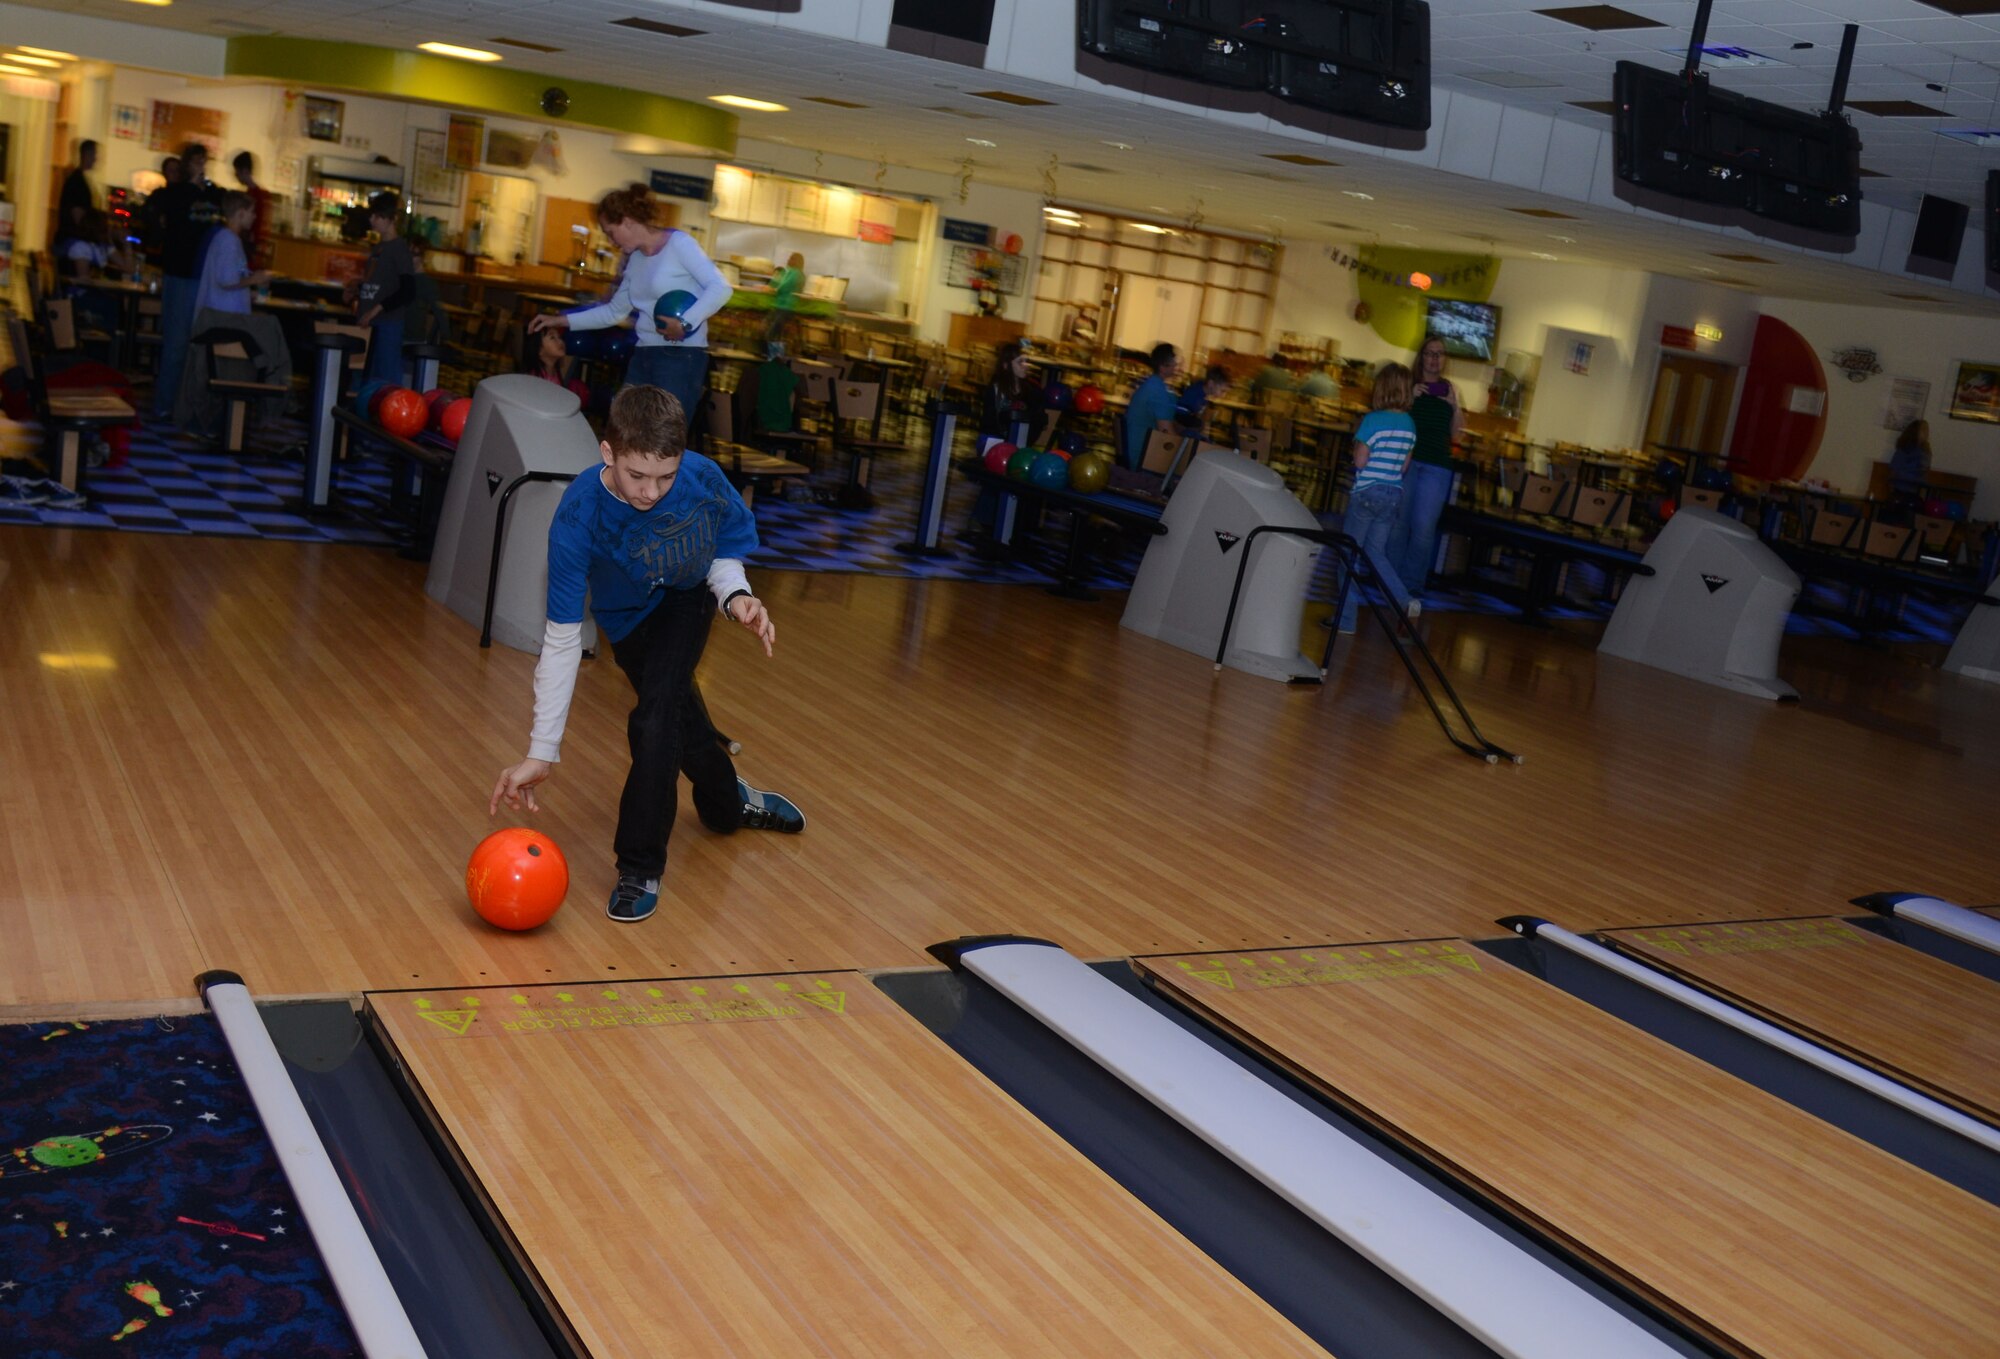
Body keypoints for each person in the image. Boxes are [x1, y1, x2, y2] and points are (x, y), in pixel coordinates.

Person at [488, 385, 805, 924]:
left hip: (686, 599)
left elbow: (724, 545)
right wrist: (542, 749)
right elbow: (563, 639)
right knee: (679, 716)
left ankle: (639, 866)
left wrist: (736, 596)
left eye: (666, 476)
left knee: (655, 721)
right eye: (638, 476)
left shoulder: (701, 477)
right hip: (626, 620)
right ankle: (730, 801)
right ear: (607, 453)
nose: (652, 491)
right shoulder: (578, 517)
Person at [529, 184, 732, 421]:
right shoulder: (635, 259)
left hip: (680, 358)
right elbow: (614, 312)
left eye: (610, 232)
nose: (610, 241)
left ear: (627, 221)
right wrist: (559, 319)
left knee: (662, 440)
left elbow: (721, 288)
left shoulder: (679, 244)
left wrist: (685, 323)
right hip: (643, 354)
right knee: (625, 430)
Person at [1335, 363, 1420, 635]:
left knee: (1348, 556)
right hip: (1392, 495)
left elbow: (1361, 460)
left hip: (1367, 494)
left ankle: (1346, 621)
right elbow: (1404, 467)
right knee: (1375, 554)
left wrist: (1356, 453)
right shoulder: (1409, 424)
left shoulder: (1372, 420)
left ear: (1381, 389)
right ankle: (1405, 601)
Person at [151, 143, 225, 419]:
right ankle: (166, 403)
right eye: (197, 162)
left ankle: (179, 402)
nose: (201, 166)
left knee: (188, 342)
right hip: (182, 272)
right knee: (176, 342)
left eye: (203, 161)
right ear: (187, 164)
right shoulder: (177, 194)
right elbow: (181, 219)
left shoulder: (208, 193)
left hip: (196, 272)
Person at [1387, 335, 1463, 603]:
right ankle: (1390, 580)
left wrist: (1454, 406)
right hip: (1406, 460)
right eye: (1430, 353)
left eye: (1439, 354)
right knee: (1398, 525)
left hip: (1436, 466)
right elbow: (1391, 416)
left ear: (1444, 359)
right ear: (1421, 357)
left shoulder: (1450, 389)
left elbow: (1456, 435)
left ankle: (1411, 585)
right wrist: (1410, 397)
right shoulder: (1408, 383)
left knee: (1423, 528)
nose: (1434, 359)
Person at [354, 191, 416, 388]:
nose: (372, 220)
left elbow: (407, 291)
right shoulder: (380, 247)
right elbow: (377, 282)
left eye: (378, 216)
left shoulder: (399, 249)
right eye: (372, 215)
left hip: (386, 324)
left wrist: (376, 309)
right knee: (366, 380)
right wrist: (356, 289)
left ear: (392, 219)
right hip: (371, 322)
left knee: (383, 384)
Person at [1122, 342, 1181, 469]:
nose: (1177, 366)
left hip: (1131, 449)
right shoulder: (1158, 392)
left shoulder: (1150, 384)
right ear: (1163, 367)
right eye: (1174, 363)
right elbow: (1166, 433)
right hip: (1141, 456)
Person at [522, 325, 591, 406]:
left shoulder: (555, 373)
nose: (560, 341)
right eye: (552, 337)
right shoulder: (536, 380)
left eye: (559, 337)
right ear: (539, 350)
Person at [232, 150, 274, 271]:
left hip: (249, 244)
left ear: (244, 170)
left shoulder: (251, 195)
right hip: (257, 245)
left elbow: (252, 224)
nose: (236, 175)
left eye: (237, 172)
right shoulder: (263, 194)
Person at [57, 140, 98, 247]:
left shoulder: (76, 179)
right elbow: (77, 215)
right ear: (87, 154)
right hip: (72, 242)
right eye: (94, 154)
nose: (95, 159)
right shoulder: (78, 182)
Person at [764, 250, 804, 356]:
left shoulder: (795, 273)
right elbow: (780, 282)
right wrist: (771, 286)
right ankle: (774, 357)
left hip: (787, 307)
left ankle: (775, 357)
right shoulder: (789, 272)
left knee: (773, 333)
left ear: (797, 261)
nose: (788, 260)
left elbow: (786, 285)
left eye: (791, 258)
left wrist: (774, 289)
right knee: (774, 332)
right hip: (780, 306)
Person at [1175, 364, 1230, 435]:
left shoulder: (1202, 391)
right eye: (1222, 391)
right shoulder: (1195, 394)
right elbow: (1180, 417)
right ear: (1211, 384)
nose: (1223, 395)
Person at [1888, 419, 1931, 507]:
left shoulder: (1925, 451)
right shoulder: (1904, 449)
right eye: (1923, 430)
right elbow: (1893, 472)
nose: (1927, 433)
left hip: (1916, 491)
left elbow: (1926, 472)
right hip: (1901, 490)